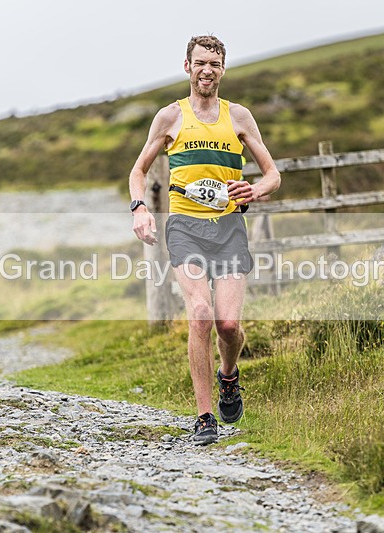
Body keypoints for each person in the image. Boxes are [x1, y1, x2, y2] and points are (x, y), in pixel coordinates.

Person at [128, 35, 281, 445]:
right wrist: (139, 209)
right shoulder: (169, 118)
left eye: (214, 63)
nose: (207, 70)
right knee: (200, 313)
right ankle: (204, 416)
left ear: (223, 69)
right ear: (187, 66)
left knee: (228, 324)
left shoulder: (240, 118)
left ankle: (229, 376)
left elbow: (273, 174)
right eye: (200, 63)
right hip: (185, 227)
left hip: (230, 229)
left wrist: (257, 190)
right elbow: (138, 171)